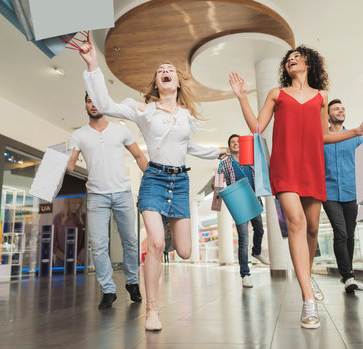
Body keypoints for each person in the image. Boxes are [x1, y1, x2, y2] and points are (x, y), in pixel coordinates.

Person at [79, 37, 226, 331]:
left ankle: (167, 225)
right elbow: (106, 103)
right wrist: (93, 65)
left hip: (181, 182)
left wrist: (221, 152)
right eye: (160, 70)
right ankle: (152, 309)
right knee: (156, 243)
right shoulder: (144, 109)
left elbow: (191, 147)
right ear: (157, 83)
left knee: (184, 250)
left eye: (170, 68)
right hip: (155, 180)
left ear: (178, 83)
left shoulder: (186, 116)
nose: (165, 71)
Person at [229, 45, 363, 329]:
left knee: (313, 228)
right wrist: (242, 97)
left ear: (309, 63)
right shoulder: (276, 93)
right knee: (295, 222)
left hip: (312, 167)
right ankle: (307, 300)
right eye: (288, 59)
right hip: (284, 165)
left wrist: (355, 131)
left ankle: (307, 273)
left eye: (297, 57)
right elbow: (257, 127)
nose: (292, 61)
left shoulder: (322, 97)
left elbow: (321, 136)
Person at [66, 92, 147, 310]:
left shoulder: (121, 130)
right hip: (96, 196)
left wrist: (151, 181)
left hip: (122, 193)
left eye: (96, 100)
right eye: (89, 101)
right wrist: (56, 168)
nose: (93, 104)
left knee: (130, 240)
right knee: (99, 245)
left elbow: (139, 157)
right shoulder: (78, 135)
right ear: (85, 105)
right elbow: (71, 163)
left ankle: (132, 282)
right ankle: (108, 290)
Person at [323, 99, 363, 292]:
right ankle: (348, 276)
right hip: (329, 192)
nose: (341, 111)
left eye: (343, 109)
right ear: (328, 115)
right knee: (340, 232)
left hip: (352, 191)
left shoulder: (355, 138)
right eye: (336, 109)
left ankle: (348, 274)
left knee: (350, 234)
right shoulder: (322, 138)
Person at [220, 134, 269, 288]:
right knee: (243, 238)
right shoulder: (225, 163)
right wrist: (218, 194)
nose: (235, 144)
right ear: (229, 146)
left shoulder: (251, 159)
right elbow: (218, 182)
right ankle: (245, 274)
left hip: (252, 199)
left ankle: (256, 251)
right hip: (238, 202)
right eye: (232, 142)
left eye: (237, 142)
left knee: (260, 229)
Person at [52, 196, 86, 267]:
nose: (76, 206)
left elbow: (87, 240)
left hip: (79, 262)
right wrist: (66, 258)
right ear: (67, 203)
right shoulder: (58, 218)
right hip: (61, 263)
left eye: (78, 203)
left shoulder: (83, 217)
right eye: (73, 203)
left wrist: (81, 255)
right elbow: (53, 245)